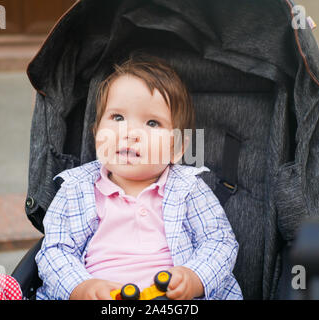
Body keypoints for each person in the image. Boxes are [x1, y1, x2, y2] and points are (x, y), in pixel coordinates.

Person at [35, 53, 242, 300]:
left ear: (176, 148)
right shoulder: (76, 188)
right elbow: (55, 250)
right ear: (96, 133)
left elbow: (219, 241)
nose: (130, 133)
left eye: (152, 123)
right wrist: (81, 287)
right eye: (118, 117)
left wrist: (194, 276)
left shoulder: (188, 188)